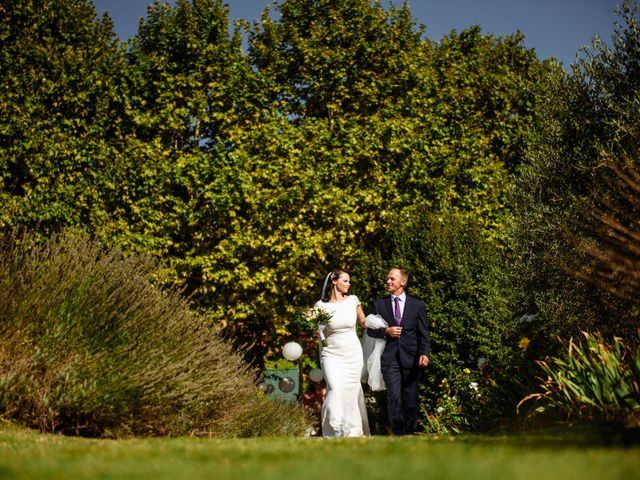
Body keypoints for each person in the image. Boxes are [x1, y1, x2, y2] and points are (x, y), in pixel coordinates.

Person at [366, 267, 430, 435]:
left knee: (410, 396)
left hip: (412, 357)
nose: (388, 281)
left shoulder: (417, 305)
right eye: (387, 278)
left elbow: (423, 333)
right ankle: (398, 432)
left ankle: (410, 431)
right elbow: (369, 330)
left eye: (392, 279)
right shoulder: (379, 304)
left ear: (403, 282)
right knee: (393, 396)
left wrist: (425, 353)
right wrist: (385, 332)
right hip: (389, 357)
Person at [315, 268, 370, 437]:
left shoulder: (353, 300)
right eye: (345, 280)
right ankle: (335, 429)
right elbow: (318, 330)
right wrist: (315, 332)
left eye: (349, 281)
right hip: (331, 355)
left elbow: (364, 322)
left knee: (352, 391)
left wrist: (382, 327)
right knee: (335, 388)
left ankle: (353, 431)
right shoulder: (320, 306)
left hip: (352, 353)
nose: (349, 284)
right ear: (334, 281)